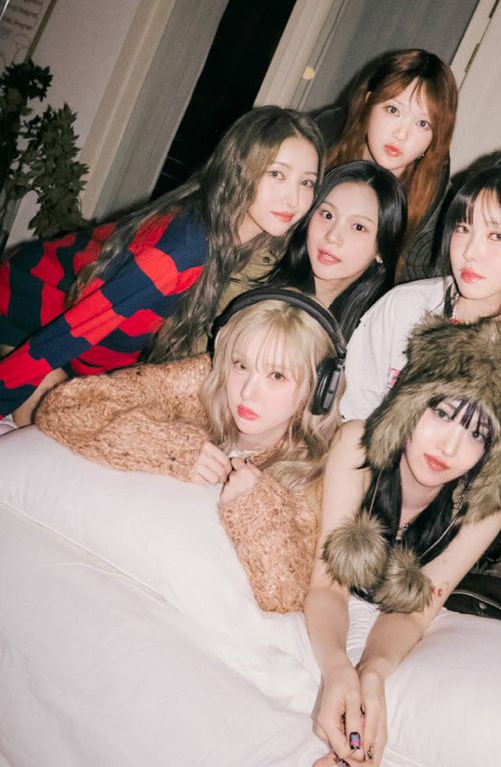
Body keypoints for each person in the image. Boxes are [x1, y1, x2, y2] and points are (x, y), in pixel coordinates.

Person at [340, 148, 501, 644]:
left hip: (456, 537)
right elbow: (350, 433)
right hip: (369, 518)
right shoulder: (402, 308)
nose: (470, 252)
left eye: (497, 236)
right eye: (464, 228)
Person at [304, 312, 501, 767]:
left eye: (477, 434)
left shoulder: (486, 508)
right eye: (441, 413)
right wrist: (338, 669)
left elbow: (414, 614)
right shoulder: (356, 445)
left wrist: (373, 673)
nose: (449, 447)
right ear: (411, 403)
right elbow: (327, 585)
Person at [0, 107, 323, 425]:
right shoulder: (182, 252)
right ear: (239, 169)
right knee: (56, 429)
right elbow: (65, 336)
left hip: (89, 348)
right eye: (277, 174)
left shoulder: (244, 240)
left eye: (307, 183)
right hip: (29, 311)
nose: (293, 199)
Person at [35, 288, 345, 613]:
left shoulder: (315, 471)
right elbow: (64, 407)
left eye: (277, 375)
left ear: (318, 391)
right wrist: (168, 448)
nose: (248, 392)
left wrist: (255, 502)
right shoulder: (203, 382)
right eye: (241, 365)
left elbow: (289, 594)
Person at [314, 49, 457, 281]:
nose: (401, 134)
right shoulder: (318, 146)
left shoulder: (436, 215)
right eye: (393, 110)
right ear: (368, 102)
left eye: (422, 123)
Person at [266, 161, 407, 341]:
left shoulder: (381, 331)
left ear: (381, 248)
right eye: (327, 215)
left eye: (358, 227)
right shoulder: (262, 278)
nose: (333, 236)